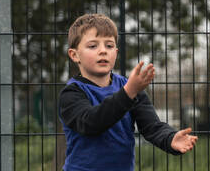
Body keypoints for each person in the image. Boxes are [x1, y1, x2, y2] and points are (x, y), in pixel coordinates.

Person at [59, 13, 198, 171]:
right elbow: (91, 123)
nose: (103, 51)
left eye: (109, 45)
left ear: (116, 53)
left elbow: (152, 126)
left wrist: (170, 138)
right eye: (93, 46)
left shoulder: (129, 87)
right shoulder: (71, 94)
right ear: (74, 55)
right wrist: (128, 93)